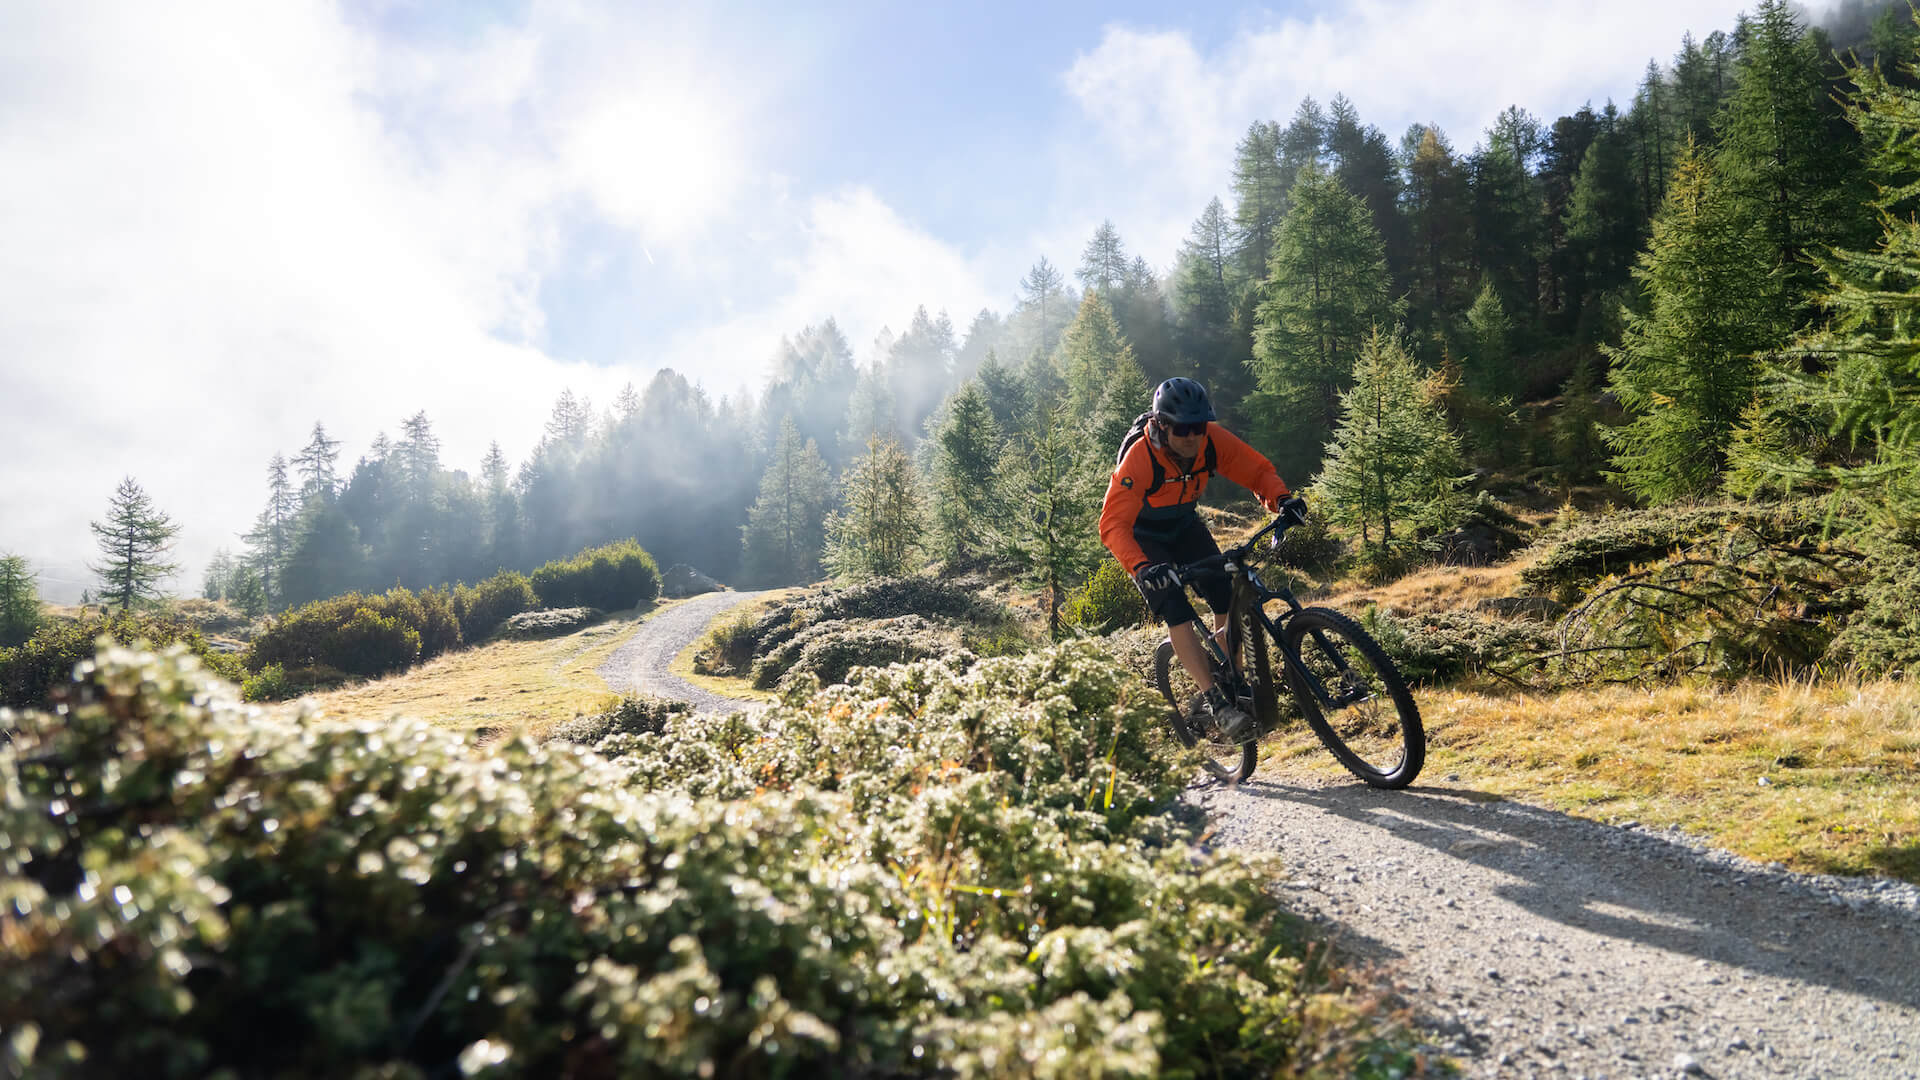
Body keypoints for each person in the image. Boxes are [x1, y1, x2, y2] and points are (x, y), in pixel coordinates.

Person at [1098, 377, 1291, 740]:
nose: (1193, 437)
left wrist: (1281, 500)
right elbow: (1112, 524)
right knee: (1177, 609)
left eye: (1199, 427)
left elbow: (1256, 470)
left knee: (1224, 592)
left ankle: (1232, 679)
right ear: (1162, 425)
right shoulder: (1140, 457)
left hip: (1184, 525)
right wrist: (1142, 567)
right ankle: (1215, 701)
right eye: (1183, 428)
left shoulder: (1211, 442)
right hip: (1144, 538)